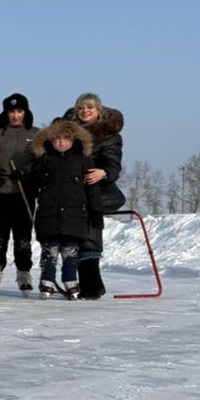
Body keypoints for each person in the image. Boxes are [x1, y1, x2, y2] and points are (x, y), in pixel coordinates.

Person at [28, 119, 104, 298]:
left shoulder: (83, 160)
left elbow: (92, 188)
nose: (61, 142)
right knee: (50, 252)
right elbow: (33, 182)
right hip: (49, 215)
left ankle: (71, 281)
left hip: (74, 216)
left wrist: (97, 212)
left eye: (66, 138)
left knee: (70, 252)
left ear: (74, 140)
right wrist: (28, 175)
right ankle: (47, 282)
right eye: (56, 139)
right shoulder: (45, 159)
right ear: (50, 140)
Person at [63, 93, 125, 300]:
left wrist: (103, 173)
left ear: (99, 111)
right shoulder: (65, 134)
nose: (85, 111)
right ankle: (70, 277)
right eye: (81, 108)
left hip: (101, 188)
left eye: (90, 108)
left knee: (87, 209)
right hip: (72, 188)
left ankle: (92, 281)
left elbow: (113, 165)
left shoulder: (109, 135)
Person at [0, 93, 37, 293]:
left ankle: (23, 271)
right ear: (5, 113)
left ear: (25, 112)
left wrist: (27, 170)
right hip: (0, 193)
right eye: (11, 111)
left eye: (19, 111)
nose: (15, 115)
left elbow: (42, 161)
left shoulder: (35, 133)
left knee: (23, 237)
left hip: (24, 193)